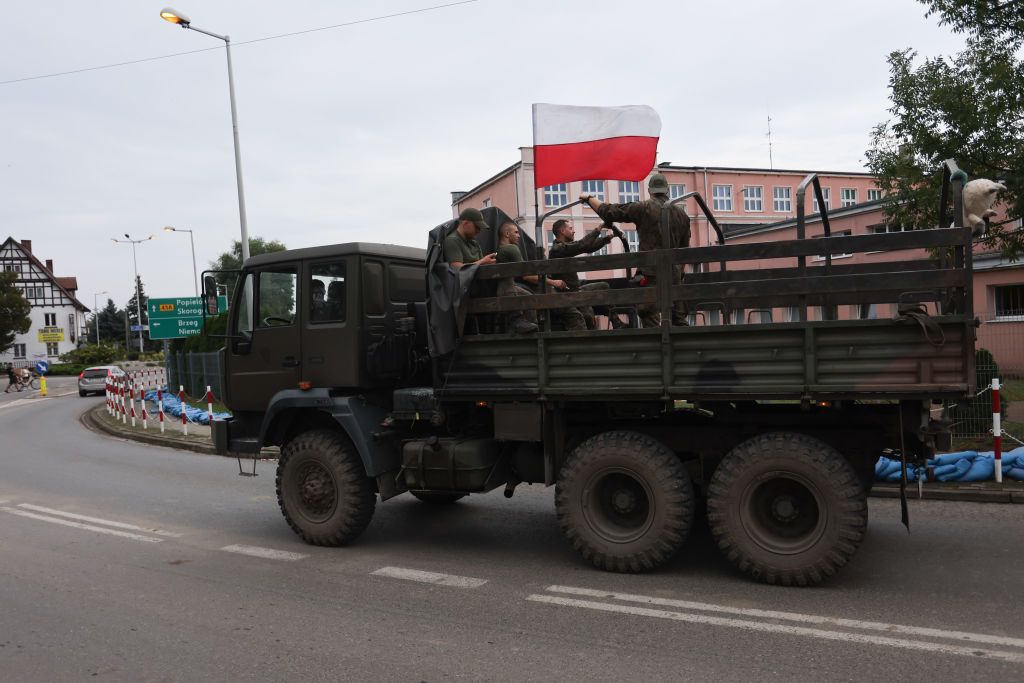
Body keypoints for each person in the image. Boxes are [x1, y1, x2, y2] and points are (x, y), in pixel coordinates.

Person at [581, 172, 690, 327]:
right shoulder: (682, 214)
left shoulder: (643, 208)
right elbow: (684, 251)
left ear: (649, 191)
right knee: (678, 319)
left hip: (651, 273)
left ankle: (656, 347)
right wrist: (679, 274)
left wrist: (588, 198)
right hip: (674, 273)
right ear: (667, 191)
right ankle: (685, 347)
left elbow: (610, 212)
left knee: (649, 315)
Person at [548, 219, 626, 330]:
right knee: (588, 315)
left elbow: (588, 247)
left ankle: (617, 323)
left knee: (603, 286)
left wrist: (609, 238)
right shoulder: (557, 249)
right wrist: (599, 228)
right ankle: (591, 339)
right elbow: (582, 245)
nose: (573, 231)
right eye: (570, 229)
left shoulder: (565, 247)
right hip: (569, 293)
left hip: (576, 290)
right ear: (562, 231)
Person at [495, 222, 565, 334]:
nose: (519, 236)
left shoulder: (501, 249)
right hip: (507, 290)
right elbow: (527, 275)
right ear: (507, 234)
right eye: (516, 232)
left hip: (505, 289)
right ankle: (535, 333)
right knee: (531, 300)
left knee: (529, 297)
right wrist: (553, 282)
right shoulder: (511, 248)